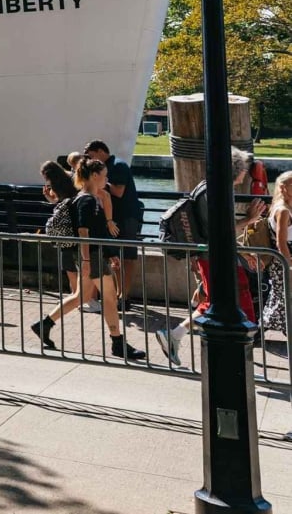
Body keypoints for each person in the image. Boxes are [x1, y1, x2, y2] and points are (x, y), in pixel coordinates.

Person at [156, 148, 268, 366]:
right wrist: (250, 218)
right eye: (243, 169)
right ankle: (238, 358)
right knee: (236, 301)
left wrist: (242, 251)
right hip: (215, 258)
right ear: (235, 170)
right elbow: (220, 232)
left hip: (210, 256)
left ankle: (176, 335)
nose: (245, 174)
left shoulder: (206, 188)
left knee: (217, 301)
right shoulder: (217, 192)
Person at [32, 160, 146, 360]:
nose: (107, 179)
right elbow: (83, 232)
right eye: (104, 175)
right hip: (91, 256)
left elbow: (95, 231)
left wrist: (108, 253)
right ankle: (117, 343)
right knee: (110, 298)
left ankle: (44, 325)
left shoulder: (88, 198)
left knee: (81, 296)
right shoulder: (87, 200)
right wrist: (86, 261)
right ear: (94, 176)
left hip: (91, 255)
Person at [86, 140, 143, 304]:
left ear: (99, 151)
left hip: (126, 217)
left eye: (90, 155)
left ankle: (124, 295)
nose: (89, 159)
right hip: (114, 218)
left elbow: (118, 192)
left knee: (128, 257)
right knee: (116, 256)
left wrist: (101, 181)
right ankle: (119, 294)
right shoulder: (107, 166)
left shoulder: (117, 165)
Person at [40, 160, 86, 305]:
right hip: (75, 224)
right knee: (78, 262)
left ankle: (75, 294)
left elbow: (60, 202)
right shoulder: (71, 179)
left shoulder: (57, 184)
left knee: (68, 263)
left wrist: (50, 198)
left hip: (64, 229)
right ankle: (79, 295)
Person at [260, 171, 291, 337]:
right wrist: (289, 266)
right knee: (284, 298)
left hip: (281, 261)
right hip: (283, 261)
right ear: (283, 187)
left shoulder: (283, 207)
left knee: (279, 298)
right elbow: (281, 242)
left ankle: (258, 331)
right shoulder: (283, 211)